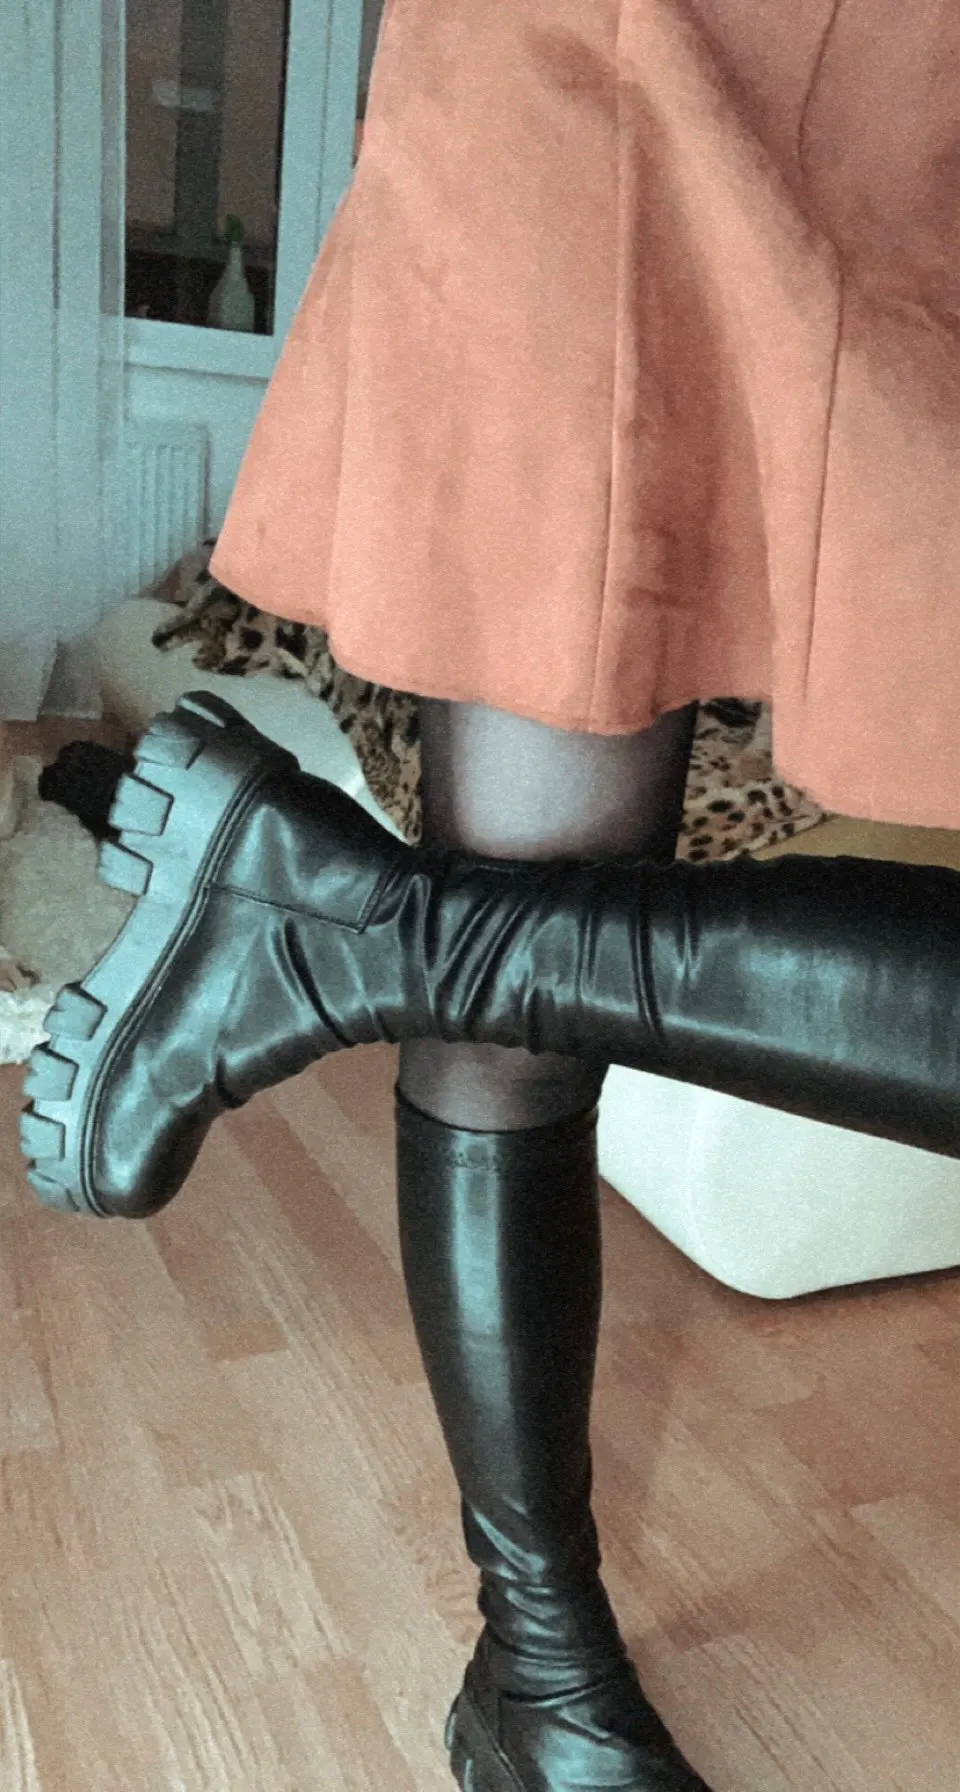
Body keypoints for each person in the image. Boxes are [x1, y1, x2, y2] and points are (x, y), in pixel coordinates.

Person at [20, 5, 960, 1788]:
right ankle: (540, 1674)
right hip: (614, 59)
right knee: (520, 1018)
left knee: (506, 948)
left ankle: (358, 930)